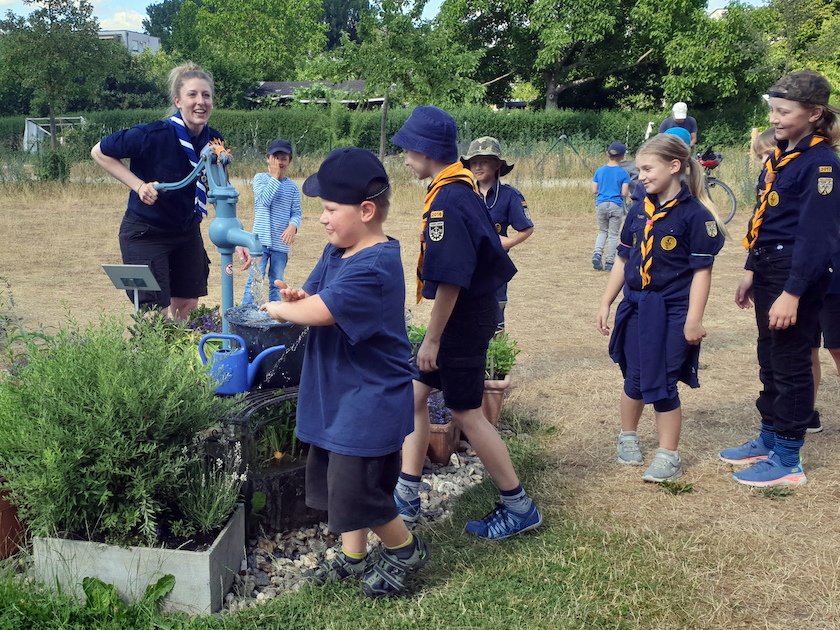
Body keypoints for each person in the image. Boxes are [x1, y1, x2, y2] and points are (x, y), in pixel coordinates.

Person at [260, 147, 429, 598]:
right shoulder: (340, 250)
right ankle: (354, 556)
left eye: (331, 210)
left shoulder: (375, 265)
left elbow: (325, 309)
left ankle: (405, 550)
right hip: (341, 398)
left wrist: (281, 309)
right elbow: (316, 295)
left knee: (360, 494)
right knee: (340, 486)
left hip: (368, 401)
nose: (321, 218)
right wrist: (297, 297)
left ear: (366, 210)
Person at [390, 106, 542, 539]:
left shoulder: (450, 198)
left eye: (406, 151)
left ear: (424, 150)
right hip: (468, 312)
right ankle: (407, 492)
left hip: (463, 317)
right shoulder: (457, 187)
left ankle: (519, 506)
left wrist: (432, 339)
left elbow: (452, 279)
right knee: (413, 393)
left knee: (467, 414)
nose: (404, 160)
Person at [719, 70, 840, 487]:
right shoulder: (781, 156)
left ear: (814, 113)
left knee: (791, 363)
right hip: (769, 267)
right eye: (772, 109)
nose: (774, 117)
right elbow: (766, 218)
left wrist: (792, 292)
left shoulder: (821, 163)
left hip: (796, 275)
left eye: (784, 111)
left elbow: (816, 235)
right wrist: (751, 269)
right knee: (769, 357)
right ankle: (769, 436)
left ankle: (788, 459)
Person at [597, 133, 726, 482]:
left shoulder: (695, 216)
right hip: (636, 306)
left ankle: (669, 456)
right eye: (638, 170)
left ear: (674, 166)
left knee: (664, 381)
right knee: (634, 377)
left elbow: (702, 273)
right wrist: (607, 301)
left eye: (647, 168)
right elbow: (623, 260)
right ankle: (627, 437)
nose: (640, 176)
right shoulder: (638, 209)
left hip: (672, 311)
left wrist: (693, 320)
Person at [91, 62, 225, 319]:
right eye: (192, 95)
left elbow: (215, 186)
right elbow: (99, 152)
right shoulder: (152, 134)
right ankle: (154, 360)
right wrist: (139, 186)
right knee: (155, 314)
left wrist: (231, 231)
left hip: (186, 233)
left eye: (206, 95)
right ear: (178, 101)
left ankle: (182, 360)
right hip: (146, 232)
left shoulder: (214, 141)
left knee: (188, 309)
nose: (200, 102)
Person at [460, 136, 534, 329]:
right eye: (473, 162)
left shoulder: (510, 196)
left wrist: (509, 243)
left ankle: (497, 357)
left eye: (484, 161)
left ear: (496, 165)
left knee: (495, 317)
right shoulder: (463, 193)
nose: (478, 167)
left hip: (494, 268)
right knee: (464, 316)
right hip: (466, 266)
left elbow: (527, 228)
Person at [239, 139, 302, 305]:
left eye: (284, 158)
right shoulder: (260, 179)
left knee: (277, 283)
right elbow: (264, 201)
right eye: (276, 157)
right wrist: (274, 178)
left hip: (281, 244)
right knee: (255, 281)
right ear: (268, 158)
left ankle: (275, 316)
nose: (279, 162)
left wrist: (293, 226)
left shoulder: (293, 187)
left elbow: (296, 212)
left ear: (290, 161)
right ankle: (247, 314)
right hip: (259, 243)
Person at [591, 142, 631, 272]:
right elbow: (625, 193)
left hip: (601, 204)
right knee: (613, 235)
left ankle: (597, 253)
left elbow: (594, 190)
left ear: (607, 154)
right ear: (623, 156)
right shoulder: (624, 173)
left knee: (603, 231)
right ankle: (609, 262)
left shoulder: (600, 170)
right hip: (616, 205)